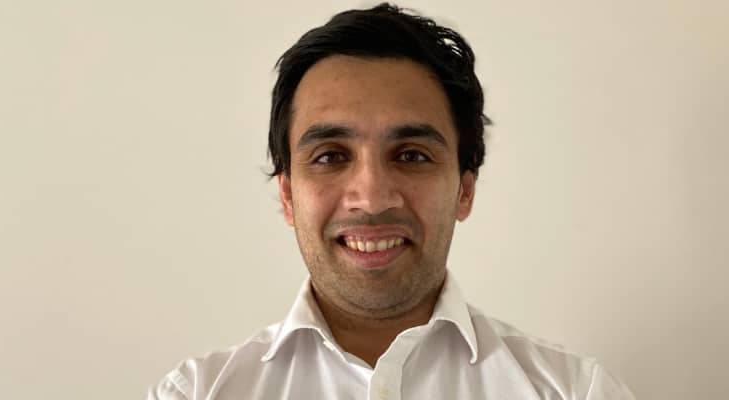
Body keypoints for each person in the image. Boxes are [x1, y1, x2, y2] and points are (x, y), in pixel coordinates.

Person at [148, 3, 635, 399]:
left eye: (411, 155)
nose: (372, 197)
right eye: (331, 156)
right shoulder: (196, 393)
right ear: (288, 193)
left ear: (464, 189)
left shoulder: (575, 392)